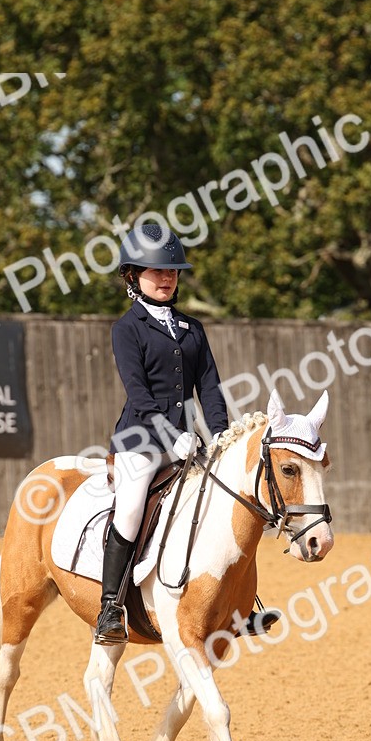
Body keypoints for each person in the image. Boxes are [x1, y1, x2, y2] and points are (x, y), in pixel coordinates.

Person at [94, 221, 229, 643]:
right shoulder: (126, 329)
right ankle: (110, 608)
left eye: (172, 271)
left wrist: (221, 435)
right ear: (134, 275)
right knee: (132, 509)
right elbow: (137, 392)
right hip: (140, 440)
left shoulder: (192, 329)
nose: (167, 278)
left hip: (188, 441)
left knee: (222, 503)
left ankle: (240, 602)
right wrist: (172, 437)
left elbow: (209, 386)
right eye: (158, 271)